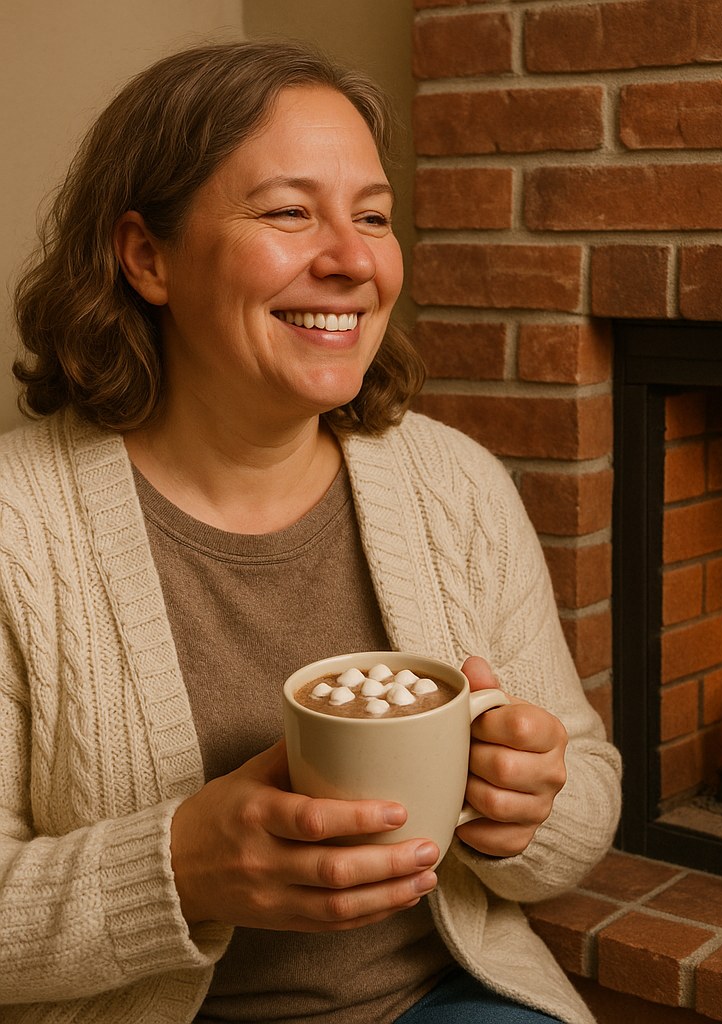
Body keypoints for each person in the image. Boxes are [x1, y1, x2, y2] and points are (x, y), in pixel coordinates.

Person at [0, 39, 621, 1024]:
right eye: (290, 212)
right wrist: (180, 867)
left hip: (440, 1001)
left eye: (372, 217)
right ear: (146, 256)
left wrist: (524, 812)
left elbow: (584, 792)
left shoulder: (453, 484)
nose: (352, 260)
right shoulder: (16, 531)